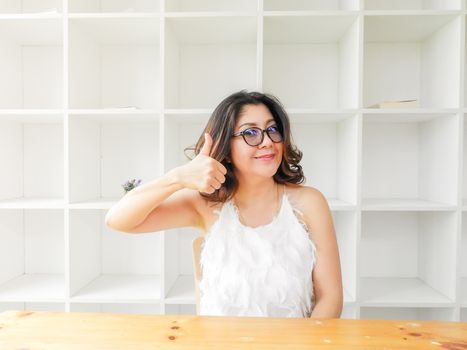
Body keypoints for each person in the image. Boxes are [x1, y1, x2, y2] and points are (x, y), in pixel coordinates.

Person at [105, 90, 343, 318]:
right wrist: (178, 177)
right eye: (250, 133)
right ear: (226, 148)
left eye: (273, 129)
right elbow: (118, 220)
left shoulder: (310, 202)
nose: (268, 141)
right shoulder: (204, 204)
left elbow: (330, 298)